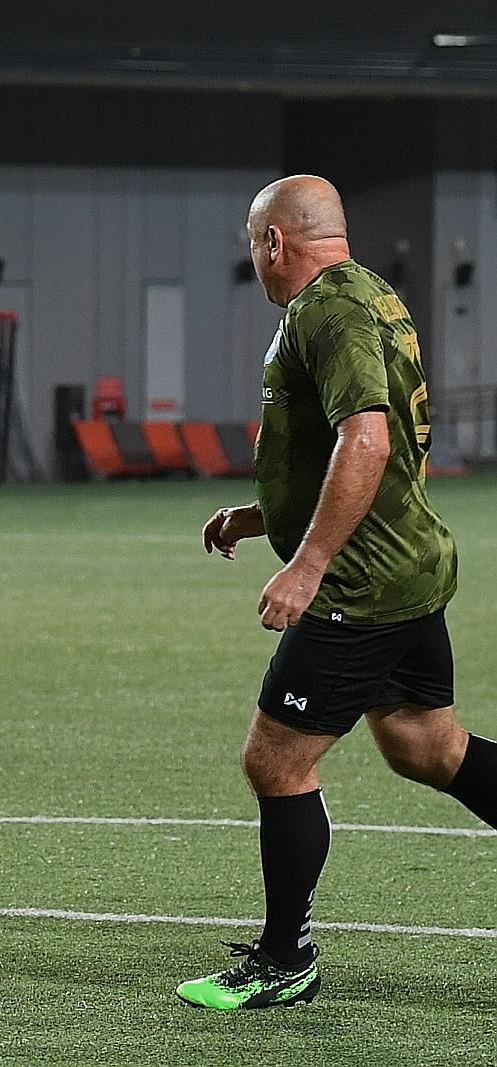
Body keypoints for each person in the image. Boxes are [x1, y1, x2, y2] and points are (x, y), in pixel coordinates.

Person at [176, 175, 493, 1010]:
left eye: (253, 246)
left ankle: (287, 960)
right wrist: (260, 516)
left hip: (362, 581)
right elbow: (342, 448)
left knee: (274, 759)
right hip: (408, 562)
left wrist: (308, 563)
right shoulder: (373, 296)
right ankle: (288, 955)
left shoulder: (328, 311)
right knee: (426, 745)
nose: (255, 262)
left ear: (275, 242)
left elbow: (367, 439)